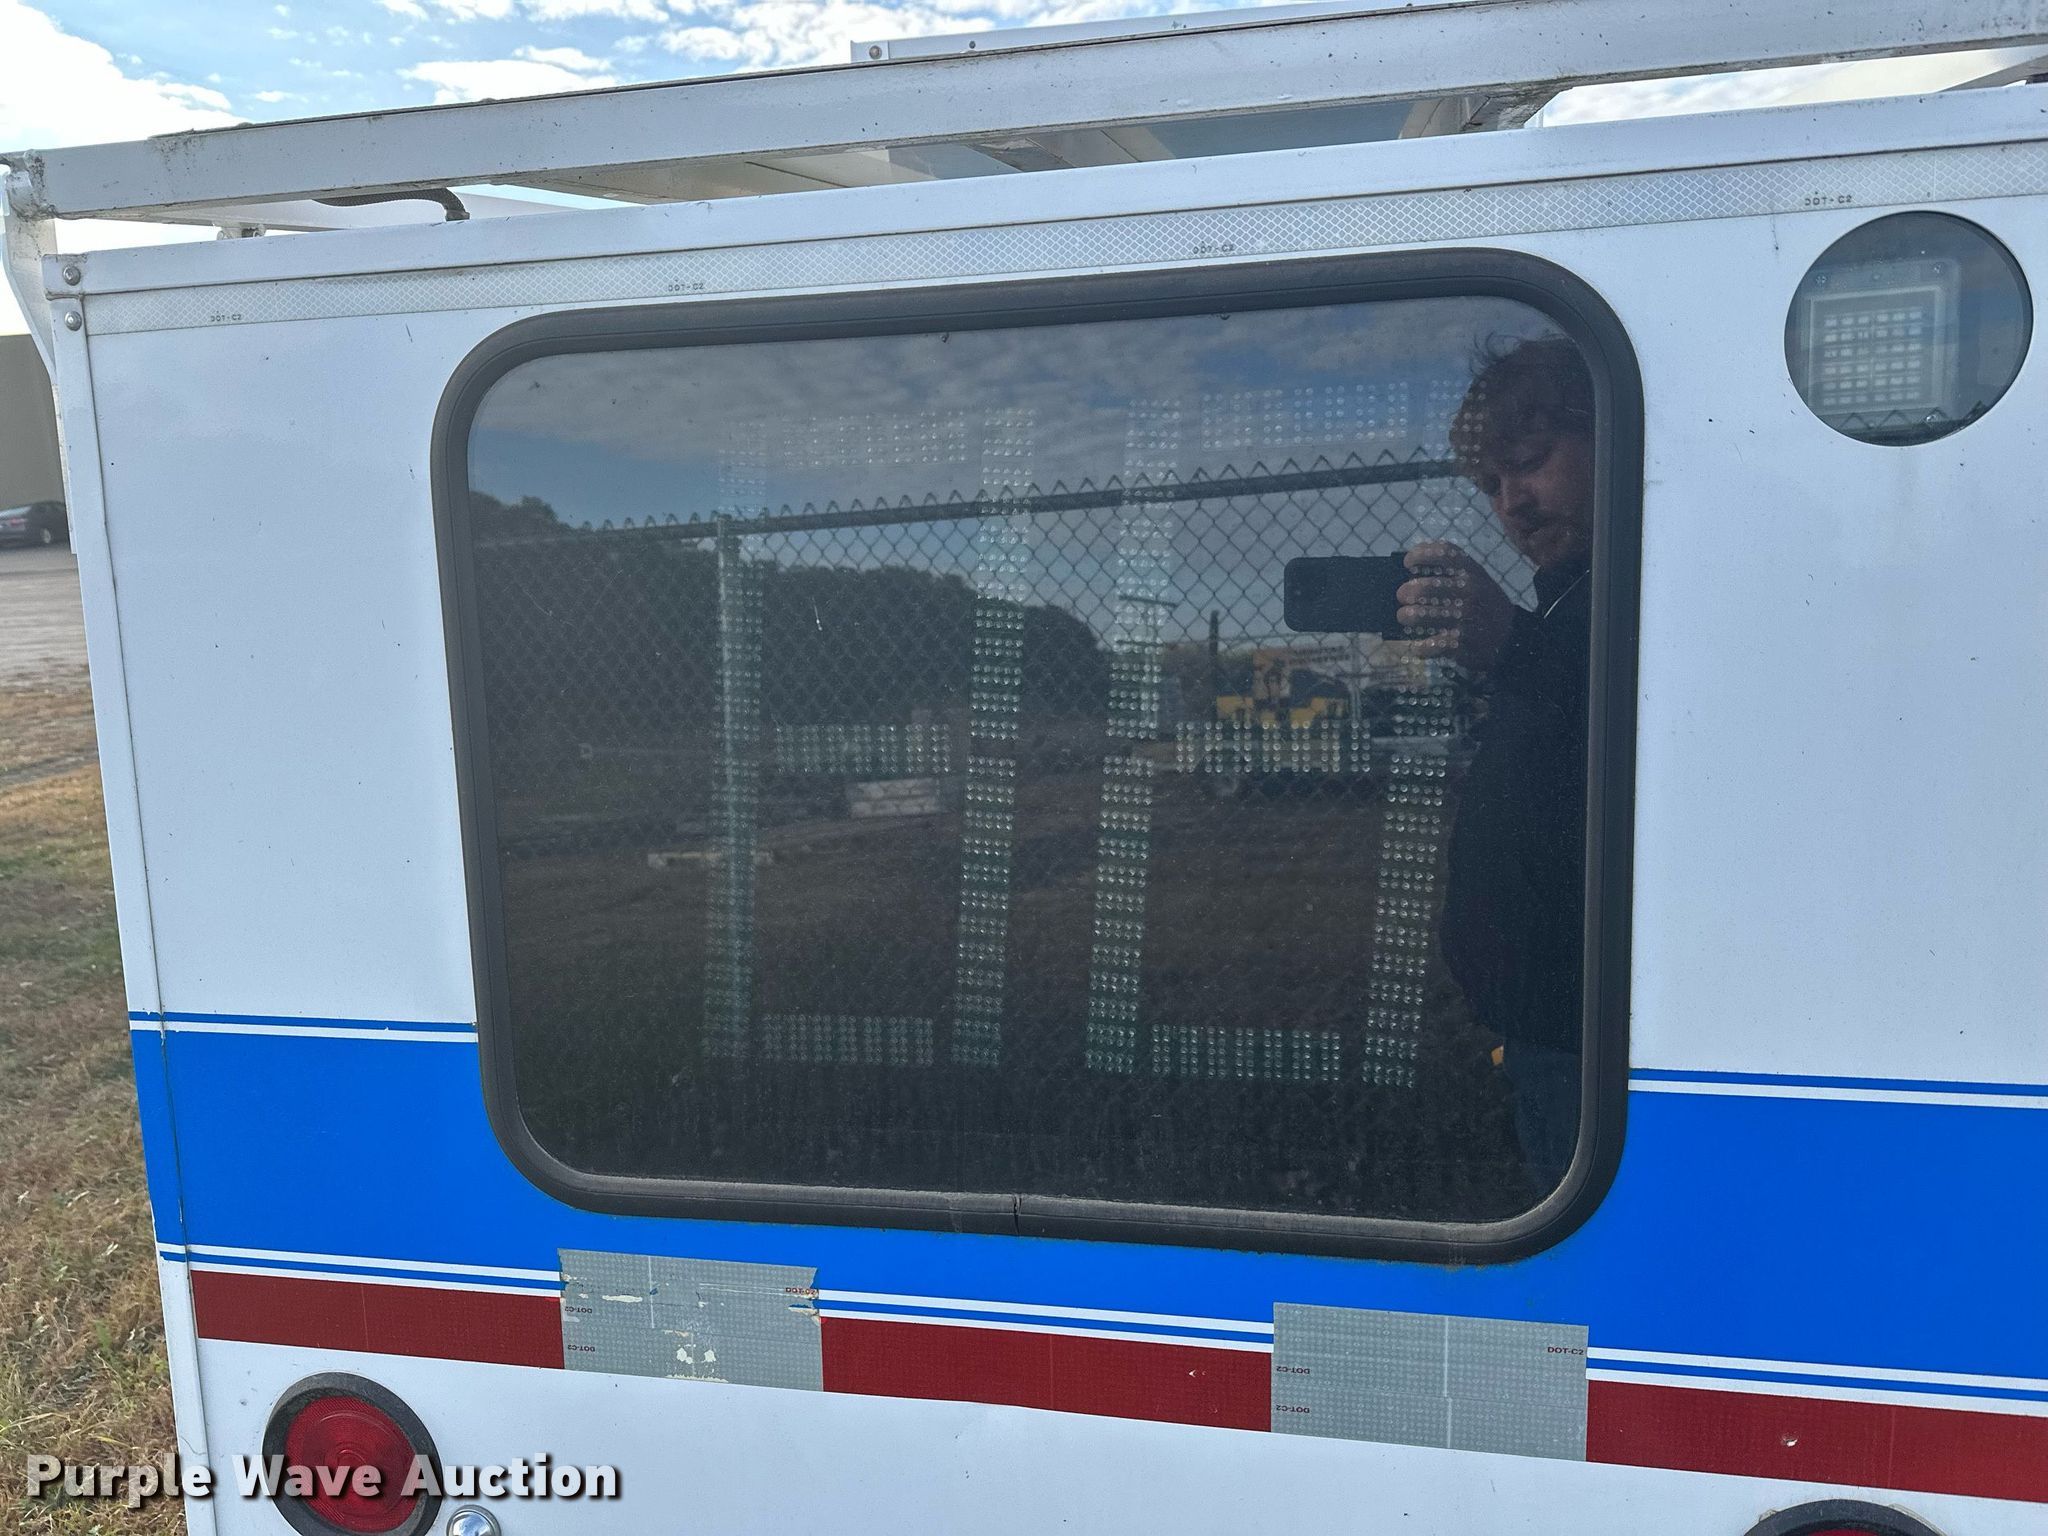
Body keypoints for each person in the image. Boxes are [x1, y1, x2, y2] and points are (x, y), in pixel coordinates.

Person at [1396, 335, 1595, 1196]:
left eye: (1530, 461)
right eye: (1491, 484)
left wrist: (1513, 645)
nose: (1512, 503)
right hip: (1544, 1037)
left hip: (1591, 1053)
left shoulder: (1646, 592)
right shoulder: (1569, 605)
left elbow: (1638, 720)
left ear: (1617, 438)